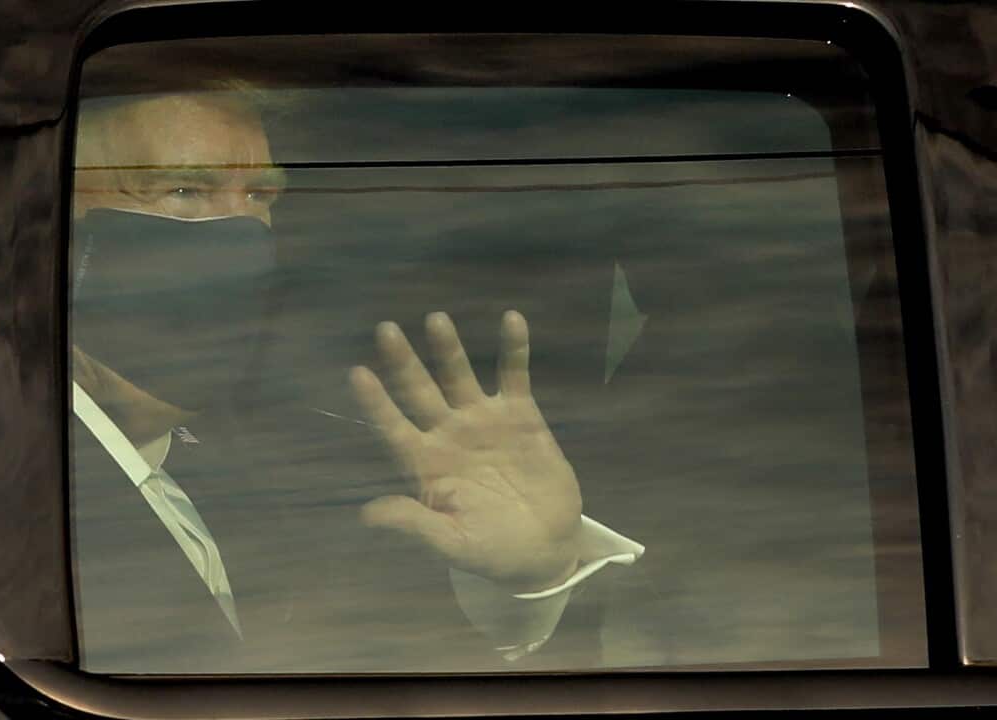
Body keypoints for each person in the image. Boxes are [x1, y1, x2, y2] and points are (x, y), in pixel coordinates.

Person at [67, 90, 652, 672]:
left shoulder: (287, 467)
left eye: (259, 195)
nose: (243, 231)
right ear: (52, 221)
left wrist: (534, 579)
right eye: (184, 191)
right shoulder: (12, 491)